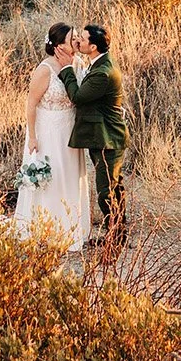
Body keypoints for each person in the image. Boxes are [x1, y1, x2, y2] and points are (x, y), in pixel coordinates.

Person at [13, 22, 91, 251]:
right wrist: (33, 137)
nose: (75, 43)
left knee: (69, 176)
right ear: (58, 46)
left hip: (69, 131)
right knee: (51, 179)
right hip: (47, 131)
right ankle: (45, 229)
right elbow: (31, 103)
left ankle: (69, 228)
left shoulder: (77, 64)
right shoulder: (44, 70)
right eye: (70, 40)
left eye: (76, 38)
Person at [58, 23, 127, 236]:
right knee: (114, 186)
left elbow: (78, 97)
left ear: (94, 46)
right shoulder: (100, 61)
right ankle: (118, 232)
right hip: (103, 136)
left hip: (108, 138)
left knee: (106, 192)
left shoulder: (103, 73)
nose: (78, 42)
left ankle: (114, 235)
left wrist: (66, 70)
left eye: (83, 39)